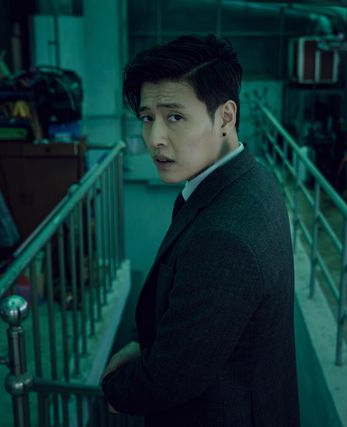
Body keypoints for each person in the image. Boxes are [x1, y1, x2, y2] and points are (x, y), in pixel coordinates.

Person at [101, 34, 299, 427]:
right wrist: (146, 346)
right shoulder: (251, 178)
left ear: (225, 117)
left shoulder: (224, 238)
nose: (154, 139)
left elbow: (168, 380)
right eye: (147, 118)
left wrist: (112, 387)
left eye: (174, 117)